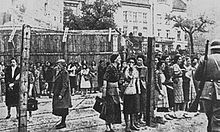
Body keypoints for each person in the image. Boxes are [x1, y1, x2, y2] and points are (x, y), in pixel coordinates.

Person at [194, 39, 220, 132]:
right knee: (217, 116)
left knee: (209, 116)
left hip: (206, 90)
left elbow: (197, 76)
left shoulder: (204, 59)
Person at [102, 53, 122, 132]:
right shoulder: (110, 67)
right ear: (115, 59)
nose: (120, 59)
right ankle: (107, 125)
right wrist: (104, 91)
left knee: (114, 107)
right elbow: (105, 79)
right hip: (110, 89)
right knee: (109, 108)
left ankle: (111, 125)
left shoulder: (117, 67)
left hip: (115, 89)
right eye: (119, 58)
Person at [52, 59, 72, 129]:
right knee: (61, 108)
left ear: (62, 65)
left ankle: (63, 123)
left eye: (59, 65)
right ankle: (62, 122)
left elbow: (65, 84)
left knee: (63, 108)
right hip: (59, 92)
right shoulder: (60, 72)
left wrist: (61, 94)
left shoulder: (64, 72)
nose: (58, 66)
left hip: (63, 94)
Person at [123, 57, 140, 132]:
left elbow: (137, 81)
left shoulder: (136, 71)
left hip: (133, 91)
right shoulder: (125, 70)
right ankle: (127, 126)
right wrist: (129, 70)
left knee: (133, 109)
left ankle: (132, 124)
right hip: (126, 91)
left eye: (133, 62)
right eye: (130, 62)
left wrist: (138, 91)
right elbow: (127, 78)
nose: (131, 64)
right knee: (127, 109)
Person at [136, 55, 148, 125]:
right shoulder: (134, 68)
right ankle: (136, 119)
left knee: (143, 102)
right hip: (136, 86)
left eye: (140, 60)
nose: (139, 61)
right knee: (136, 102)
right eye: (138, 60)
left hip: (143, 86)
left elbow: (146, 79)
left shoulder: (145, 68)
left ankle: (141, 117)